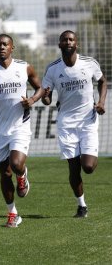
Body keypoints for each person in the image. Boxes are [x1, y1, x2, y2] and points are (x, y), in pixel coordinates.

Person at [0, 34, 43, 228]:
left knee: (15, 164)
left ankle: (22, 176)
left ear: (12, 48)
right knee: (4, 174)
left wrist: (31, 101)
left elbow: (40, 88)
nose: (2, 47)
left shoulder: (24, 68)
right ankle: (12, 213)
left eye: (5, 44)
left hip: (20, 126)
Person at [41, 30, 108, 218]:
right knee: (73, 167)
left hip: (88, 120)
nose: (68, 42)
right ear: (60, 44)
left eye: (71, 39)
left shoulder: (89, 63)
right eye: (64, 40)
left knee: (88, 167)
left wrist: (101, 102)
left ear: (76, 44)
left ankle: (87, 156)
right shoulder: (53, 69)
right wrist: (45, 97)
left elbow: (103, 81)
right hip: (66, 123)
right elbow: (47, 98)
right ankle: (82, 205)